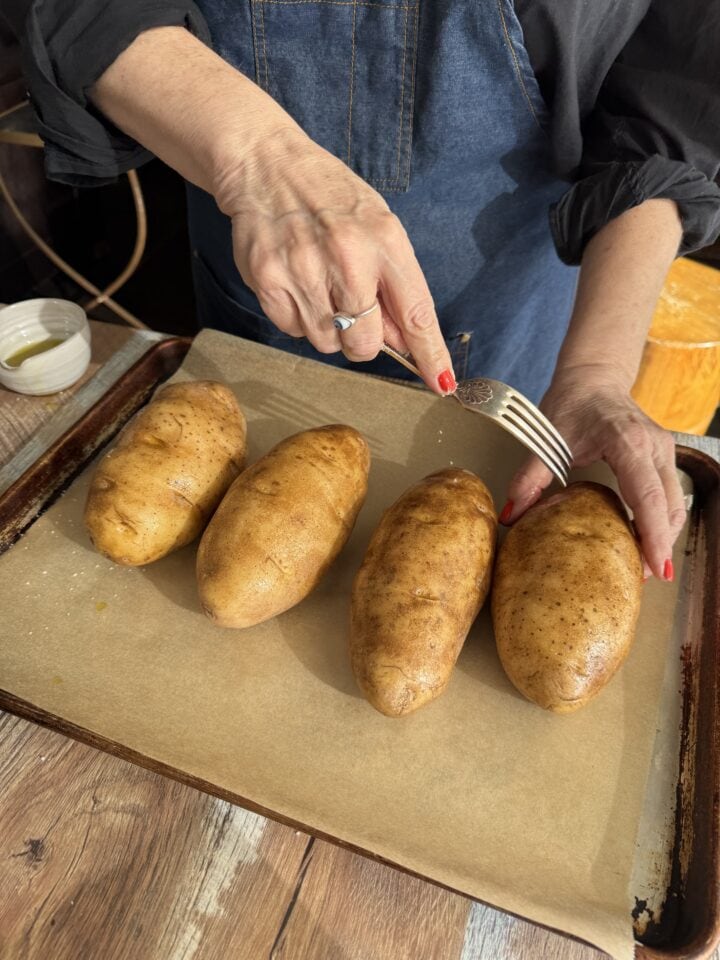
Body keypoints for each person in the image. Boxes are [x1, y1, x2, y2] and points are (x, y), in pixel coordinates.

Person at [4, 0, 720, 580]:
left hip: (515, 313)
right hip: (256, 278)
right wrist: (256, 159)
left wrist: (596, 373)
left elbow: (668, 108)